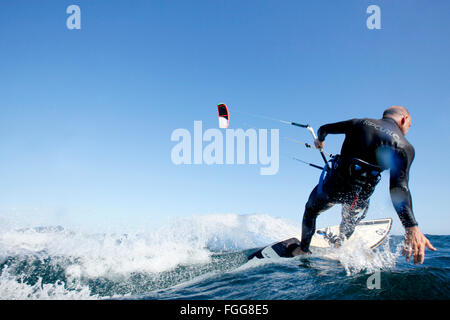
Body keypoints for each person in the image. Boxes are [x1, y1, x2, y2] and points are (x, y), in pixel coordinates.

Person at [290, 106, 436, 264]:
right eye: (410, 125)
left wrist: (320, 140)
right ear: (404, 119)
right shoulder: (405, 147)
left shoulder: (359, 123)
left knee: (311, 210)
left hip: (333, 188)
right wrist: (411, 226)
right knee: (349, 219)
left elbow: (323, 129)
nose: (408, 129)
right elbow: (398, 188)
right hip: (359, 197)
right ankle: (339, 248)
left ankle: (303, 249)